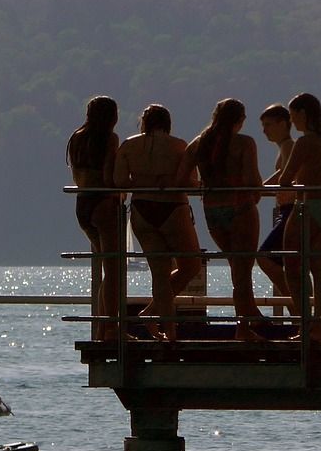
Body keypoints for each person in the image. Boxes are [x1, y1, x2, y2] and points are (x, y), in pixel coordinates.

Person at [175, 98, 266, 340]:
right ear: (239, 120)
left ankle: (250, 314)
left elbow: (181, 177)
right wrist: (255, 195)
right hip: (240, 208)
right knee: (242, 271)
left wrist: (205, 186)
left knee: (237, 268)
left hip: (212, 212)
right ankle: (243, 328)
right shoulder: (244, 143)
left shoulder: (199, 143)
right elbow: (252, 180)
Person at [114, 104, 202, 340]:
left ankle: (165, 326)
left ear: (144, 123)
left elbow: (120, 181)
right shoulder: (179, 145)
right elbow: (190, 182)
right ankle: (159, 319)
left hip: (142, 208)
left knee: (159, 274)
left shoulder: (128, 146)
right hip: (173, 206)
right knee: (191, 265)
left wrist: (144, 182)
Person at [279, 93, 321, 340]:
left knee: (292, 265)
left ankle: (304, 323)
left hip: (309, 205)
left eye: (293, 116)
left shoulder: (304, 142)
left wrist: (298, 179)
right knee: (320, 268)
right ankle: (318, 326)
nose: (293, 122)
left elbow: (285, 178)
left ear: (303, 113)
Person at [67, 96, 124, 340]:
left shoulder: (77, 137)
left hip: (83, 204)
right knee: (113, 271)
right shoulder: (109, 139)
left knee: (105, 267)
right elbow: (109, 175)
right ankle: (109, 328)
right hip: (103, 203)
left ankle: (103, 328)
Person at [256, 104, 297, 309]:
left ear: (283, 124)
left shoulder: (289, 147)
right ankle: (297, 306)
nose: (264, 130)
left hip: (291, 210)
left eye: (268, 125)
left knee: (265, 257)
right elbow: (281, 175)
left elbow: (286, 177)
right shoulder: (284, 148)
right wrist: (260, 188)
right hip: (284, 210)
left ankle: (295, 303)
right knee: (289, 264)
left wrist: (258, 189)